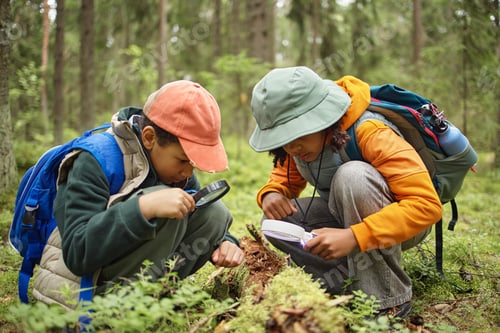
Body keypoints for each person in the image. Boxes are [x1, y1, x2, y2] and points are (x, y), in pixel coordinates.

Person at [248, 66, 442, 318]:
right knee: (276, 221)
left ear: (322, 117)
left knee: (352, 176)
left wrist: (354, 236)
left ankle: (387, 300)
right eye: (283, 138)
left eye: (297, 133)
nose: (292, 146)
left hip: (401, 224)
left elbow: (427, 206)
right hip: (344, 217)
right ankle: (348, 283)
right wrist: (272, 193)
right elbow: (285, 180)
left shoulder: (370, 131)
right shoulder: (299, 147)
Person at [33, 80, 244, 309]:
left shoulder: (176, 172)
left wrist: (225, 242)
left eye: (194, 163)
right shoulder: (94, 161)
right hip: (80, 290)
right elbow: (77, 253)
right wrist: (143, 208)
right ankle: (116, 310)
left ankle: (154, 299)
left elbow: (200, 215)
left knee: (214, 213)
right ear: (149, 137)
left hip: (134, 277)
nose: (188, 172)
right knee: (164, 203)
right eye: (183, 160)